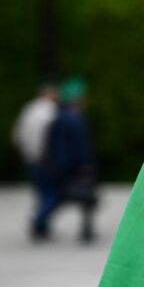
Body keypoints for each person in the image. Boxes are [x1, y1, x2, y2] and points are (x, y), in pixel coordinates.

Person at [36, 77, 99, 242]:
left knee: (56, 197)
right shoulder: (74, 118)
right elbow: (80, 146)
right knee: (83, 198)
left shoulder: (59, 116)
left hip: (58, 166)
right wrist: (85, 165)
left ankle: (40, 224)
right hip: (69, 168)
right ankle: (40, 223)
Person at [12, 79, 58, 240]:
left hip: (30, 159)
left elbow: (17, 135)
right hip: (44, 160)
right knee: (51, 194)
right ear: (50, 93)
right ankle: (39, 221)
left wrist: (25, 153)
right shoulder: (51, 112)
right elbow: (51, 141)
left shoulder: (29, 108)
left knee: (42, 193)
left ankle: (42, 226)